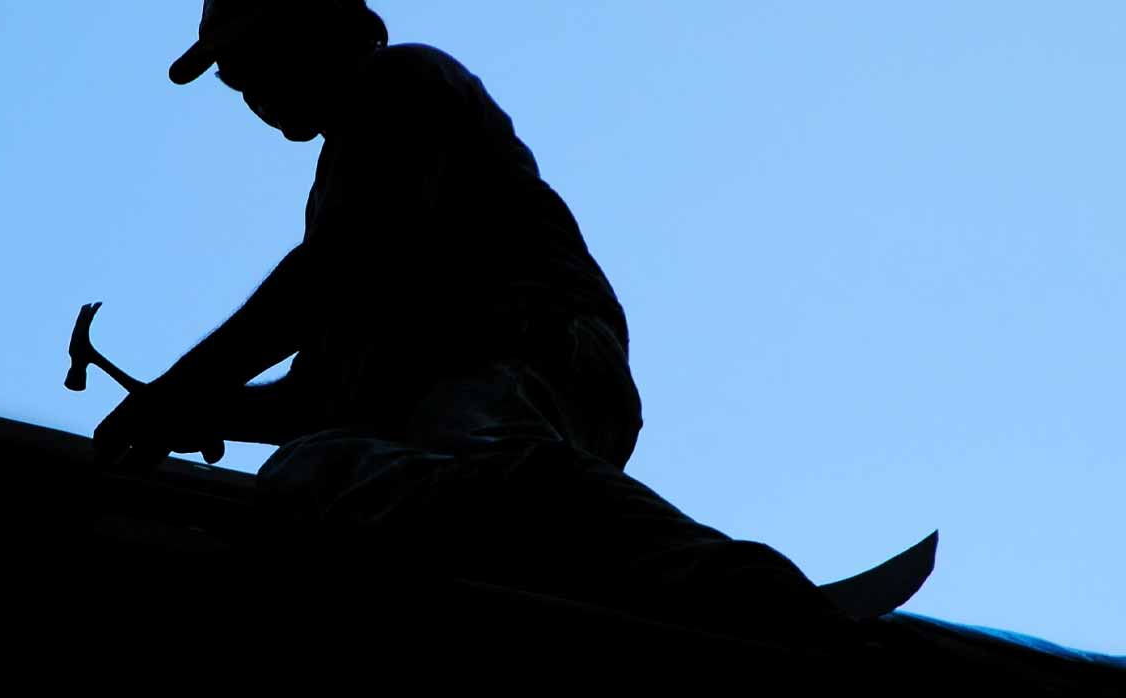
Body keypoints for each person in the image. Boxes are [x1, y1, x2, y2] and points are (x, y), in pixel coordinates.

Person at [94, 0, 855, 646]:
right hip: (462, 400)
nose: (251, 91)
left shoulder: (404, 84)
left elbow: (334, 270)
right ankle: (579, 553)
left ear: (317, 26)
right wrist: (209, 407)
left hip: (537, 353)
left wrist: (181, 390)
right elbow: (320, 394)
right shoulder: (341, 182)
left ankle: (735, 582)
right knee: (313, 469)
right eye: (236, 79)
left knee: (479, 441)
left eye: (254, 61)